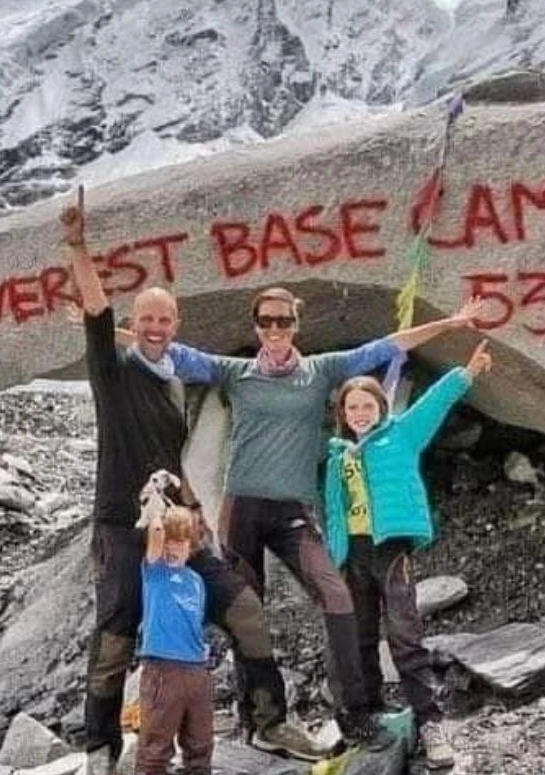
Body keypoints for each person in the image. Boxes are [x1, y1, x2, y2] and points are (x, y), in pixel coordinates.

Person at [63, 198, 328, 775]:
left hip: (178, 524)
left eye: (165, 321)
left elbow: (167, 458)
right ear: (137, 324)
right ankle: (101, 747)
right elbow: (95, 312)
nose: (156, 330)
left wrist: (194, 505)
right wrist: (79, 249)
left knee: (245, 608)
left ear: (175, 327)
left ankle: (266, 719)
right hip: (121, 527)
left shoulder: (174, 384)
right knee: (114, 636)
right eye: (147, 320)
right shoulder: (115, 373)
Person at [167, 286, 483, 748]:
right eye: (266, 321)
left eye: (284, 321)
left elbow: (387, 347)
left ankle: (355, 711)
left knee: (338, 598)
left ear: (296, 324)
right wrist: (100, 327)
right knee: (245, 612)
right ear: (255, 326)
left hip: (291, 510)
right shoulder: (235, 372)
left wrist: (451, 324)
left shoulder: (321, 370)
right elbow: (171, 352)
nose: (275, 329)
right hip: (242, 508)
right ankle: (262, 719)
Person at [323, 340, 494, 770]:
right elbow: (330, 509)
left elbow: (434, 404)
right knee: (358, 639)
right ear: (343, 416)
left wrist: (466, 373)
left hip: (391, 550)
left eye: (367, 406)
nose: (360, 414)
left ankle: (432, 722)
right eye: (352, 409)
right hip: (351, 556)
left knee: (404, 637)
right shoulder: (336, 455)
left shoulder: (399, 434)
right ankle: (368, 717)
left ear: (381, 407)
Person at [136, 505, 213, 775]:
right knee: (157, 739)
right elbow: (156, 532)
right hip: (162, 668)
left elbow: (197, 621)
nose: (172, 546)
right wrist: (156, 508)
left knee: (201, 737)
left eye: (179, 541)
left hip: (196, 669)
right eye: (168, 540)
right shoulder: (154, 572)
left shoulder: (196, 581)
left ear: (190, 545)